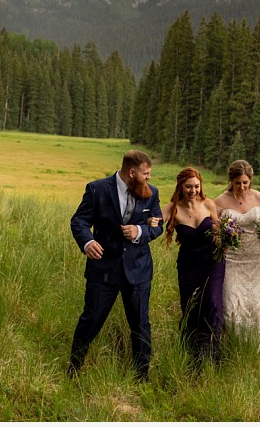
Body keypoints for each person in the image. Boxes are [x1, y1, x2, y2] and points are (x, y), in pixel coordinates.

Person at [68, 150, 163, 380]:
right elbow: (79, 220)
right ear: (132, 172)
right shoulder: (97, 189)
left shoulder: (152, 194)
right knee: (90, 320)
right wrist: (88, 241)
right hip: (103, 270)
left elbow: (158, 226)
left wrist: (139, 230)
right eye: (146, 174)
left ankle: (142, 376)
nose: (149, 178)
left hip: (138, 271)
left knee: (140, 324)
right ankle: (74, 369)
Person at [159, 167, 225, 368]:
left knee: (213, 303)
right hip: (188, 265)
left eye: (197, 186)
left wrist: (224, 237)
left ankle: (213, 355)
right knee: (191, 307)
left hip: (213, 262)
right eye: (189, 186)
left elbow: (220, 231)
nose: (193, 190)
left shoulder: (208, 204)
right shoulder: (172, 208)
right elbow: (152, 223)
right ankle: (193, 354)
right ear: (180, 186)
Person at [214, 159, 260, 335]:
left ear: (250, 180)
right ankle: (233, 342)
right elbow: (213, 229)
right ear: (231, 181)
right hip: (232, 260)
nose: (241, 187)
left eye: (245, 182)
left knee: (256, 302)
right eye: (237, 183)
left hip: (257, 259)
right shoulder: (219, 202)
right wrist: (220, 242)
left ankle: (254, 346)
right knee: (232, 301)